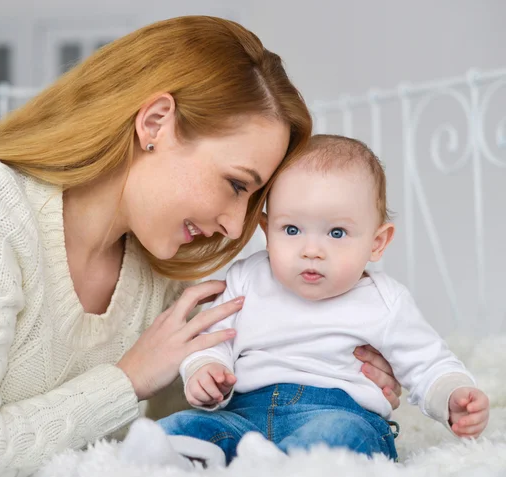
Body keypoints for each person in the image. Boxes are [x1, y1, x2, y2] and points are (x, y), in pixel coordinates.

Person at [0, 17, 402, 477]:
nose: (234, 227)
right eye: (235, 184)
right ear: (156, 122)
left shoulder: (158, 276)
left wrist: (336, 377)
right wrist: (127, 380)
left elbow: (204, 433)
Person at [121, 134, 490, 468]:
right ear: (267, 231)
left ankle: (276, 465)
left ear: (377, 242)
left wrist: (453, 394)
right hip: (243, 414)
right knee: (184, 425)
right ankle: (172, 458)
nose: (311, 250)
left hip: (337, 410)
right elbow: (212, 341)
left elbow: (428, 363)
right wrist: (204, 371)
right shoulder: (246, 278)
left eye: (337, 232)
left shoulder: (384, 300)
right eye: (292, 229)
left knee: (339, 434)